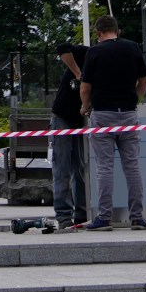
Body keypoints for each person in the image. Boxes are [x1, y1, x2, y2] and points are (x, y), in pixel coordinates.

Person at [80, 14, 146, 229]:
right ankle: (137, 217)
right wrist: (134, 98)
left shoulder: (95, 52)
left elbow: (85, 87)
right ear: (118, 31)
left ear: (99, 33)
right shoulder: (133, 48)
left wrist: (86, 106)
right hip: (128, 114)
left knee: (104, 168)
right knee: (132, 167)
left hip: (103, 114)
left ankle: (104, 218)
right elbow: (144, 79)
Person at [48, 42, 90, 227]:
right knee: (62, 167)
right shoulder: (86, 53)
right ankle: (64, 215)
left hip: (82, 120)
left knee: (80, 167)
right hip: (63, 116)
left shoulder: (105, 63)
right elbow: (62, 48)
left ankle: (82, 212)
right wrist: (78, 73)